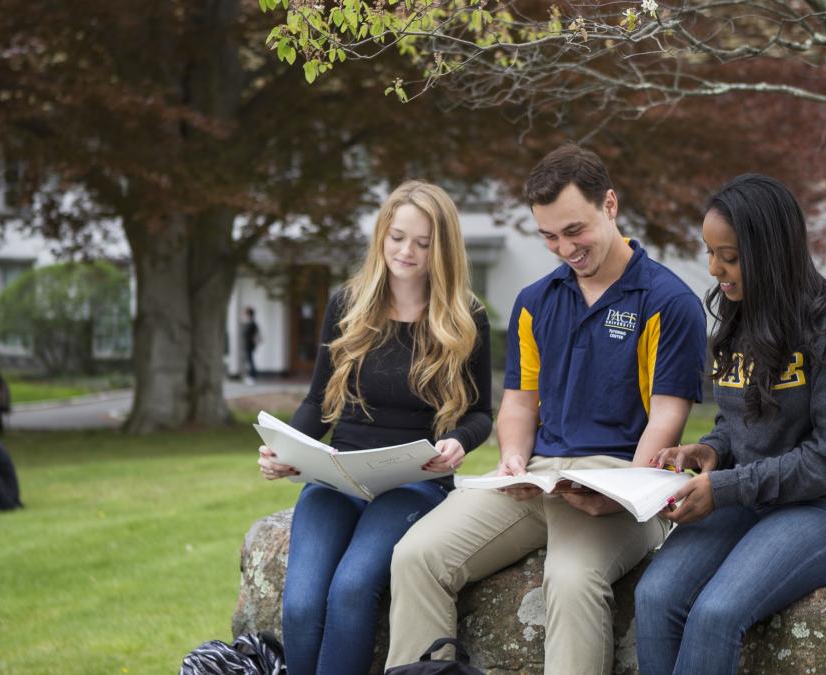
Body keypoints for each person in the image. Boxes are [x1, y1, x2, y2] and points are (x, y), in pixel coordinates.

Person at [385, 145, 707, 674]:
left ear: (610, 205)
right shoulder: (535, 300)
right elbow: (519, 401)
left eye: (574, 230)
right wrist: (513, 456)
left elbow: (667, 417)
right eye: (549, 237)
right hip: (537, 478)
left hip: (622, 477)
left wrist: (625, 492)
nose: (564, 248)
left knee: (572, 579)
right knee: (416, 555)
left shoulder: (668, 302)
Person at [633, 174, 826, 675]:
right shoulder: (740, 316)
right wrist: (709, 451)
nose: (714, 270)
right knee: (655, 594)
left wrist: (725, 486)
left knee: (716, 612)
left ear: (770, 251)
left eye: (728, 256)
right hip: (756, 500)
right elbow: (739, 423)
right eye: (709, 253)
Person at [256, 180, 493, 675]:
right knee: (301, 604)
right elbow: (320, 400)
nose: (406, 251)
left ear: (442, 250)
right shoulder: (348, 303)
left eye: (423, 243)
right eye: (397, 237)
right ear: (382, 235)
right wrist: (288, 449)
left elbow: (479, 414)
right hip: (338, 475)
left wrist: (458, 443)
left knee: (352, 588)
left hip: (414, 481)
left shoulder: (464, 317)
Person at [242, 307, 260, 386]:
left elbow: (254, 335)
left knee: (250, 361)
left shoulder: (252, 323)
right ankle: (250, 376)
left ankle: (251, 377)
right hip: (248, 344)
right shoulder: (250, 323)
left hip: (249, 345)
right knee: (249, 360)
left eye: (245, 313)